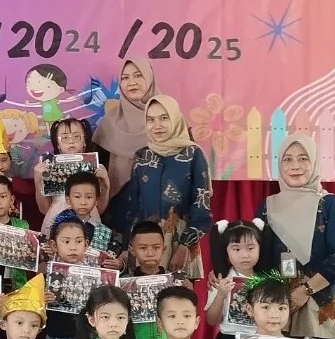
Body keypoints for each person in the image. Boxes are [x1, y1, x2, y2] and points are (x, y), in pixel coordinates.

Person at [256, 135, 335, 337]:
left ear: (315, 162)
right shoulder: (267, 208)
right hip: (276, 311)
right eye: (287, 159)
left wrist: (304, 291)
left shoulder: (330, 205)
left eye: (303, 159)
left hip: (318, 309)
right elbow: (257, 259)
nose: (295, 166)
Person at [107, 95, 211, 279]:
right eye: (151, 120)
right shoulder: (142, 156)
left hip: (180, 243)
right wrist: (125, 248)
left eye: (164, 118)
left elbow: (200, 206)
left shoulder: (193, 154)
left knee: (178, 296)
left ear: (175, 119)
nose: (157, 125)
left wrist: (184, 247)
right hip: (143, 243)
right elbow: (132, 207)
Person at [43, 210, 94, 339]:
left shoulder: (95, 275)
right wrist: (41, 299)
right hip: (59, 337)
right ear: (53, 244)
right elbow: (35, 310)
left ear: (86, 244)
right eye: (66, 242)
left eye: (78, 241)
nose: (73, 247)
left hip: (87, 337)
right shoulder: (47, 274)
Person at [93, 58, 157, 200]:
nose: (132, 82)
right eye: (125, 78)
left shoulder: (169, 118)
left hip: (162, 203)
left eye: (138, 75)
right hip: (119, 203)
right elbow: (97, 167)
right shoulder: (109, 122)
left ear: (149, 78)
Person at [35, 117, 110, 234]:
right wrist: (38, 181)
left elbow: (99, 209)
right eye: (64, 138)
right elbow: (44, 209)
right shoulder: (47, 168)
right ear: (58, 144)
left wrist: (106, 185)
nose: (71, 142)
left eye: (76, 136)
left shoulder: (97, 169)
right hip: (56, 221)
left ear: (84, 141)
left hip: (89, 221)